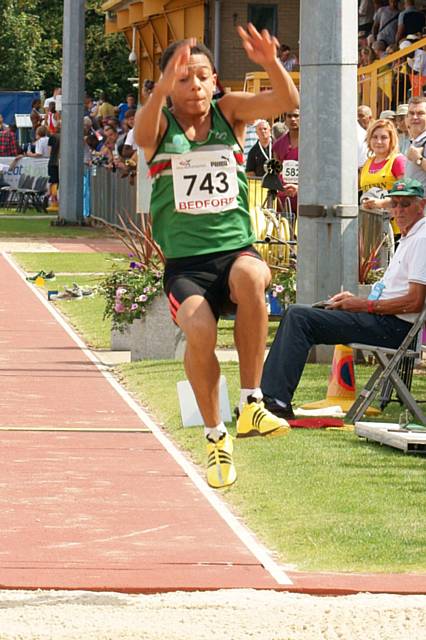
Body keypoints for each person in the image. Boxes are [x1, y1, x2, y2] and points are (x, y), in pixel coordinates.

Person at [134, 26, 299, 488]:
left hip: (233, 252)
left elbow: (285, 102)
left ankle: (252, 403)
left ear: (215, 79)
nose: (195, 88)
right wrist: (161, 88)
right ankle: (215, 435)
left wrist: (271, 62)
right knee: (201, 330)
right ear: (170, 84)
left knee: (253, 275)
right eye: (183, 80)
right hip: (186, 266)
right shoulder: (161, 125)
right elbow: (140, 132)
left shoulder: (230, 113)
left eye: (202, 77)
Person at [261, 177, 426, 419]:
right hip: (384, 320)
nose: (399, 210)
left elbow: (414, 302)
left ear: (421, 205)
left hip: (394, 329)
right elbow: (394, 292)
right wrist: (356, 300)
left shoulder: (421, 239)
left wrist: (363, 305)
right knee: (298, 313)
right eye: (395, 204)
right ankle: (268, 397)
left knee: (299, 317)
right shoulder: (410, 237)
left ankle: (274, 400)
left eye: (406, 204)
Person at [272, 109, 299, 213]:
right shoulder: (278, 144)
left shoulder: (311, 142)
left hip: (305, 195)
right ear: (285, 118)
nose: (293, 119)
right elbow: (277, 171)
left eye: (296, 116)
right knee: (285, 228)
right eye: (289, 116)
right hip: (284, 195)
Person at [404, 95, 426, 190]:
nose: (415, 117)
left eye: (420, 113)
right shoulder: (414, 142)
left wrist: (418, 159)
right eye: (411, 113)